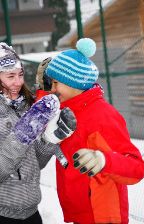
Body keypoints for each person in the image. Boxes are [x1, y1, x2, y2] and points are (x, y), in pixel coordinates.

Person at [41, 38, 144, 224]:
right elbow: (45, 106)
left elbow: (136, 168)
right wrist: (42, 90)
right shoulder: (68, 109)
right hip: (81, 213)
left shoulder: (102, 117)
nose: (52, 89)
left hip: (102, 215)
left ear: (73, 83)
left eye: (55, 83)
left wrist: (104, 160)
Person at [0, 42, 76, 224]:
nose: (18, 82)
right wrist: (22, 134)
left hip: (31, 213)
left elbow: (35, 164)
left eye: (20, 74)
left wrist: (50, 139)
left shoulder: (25, 105)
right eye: (10, 76)